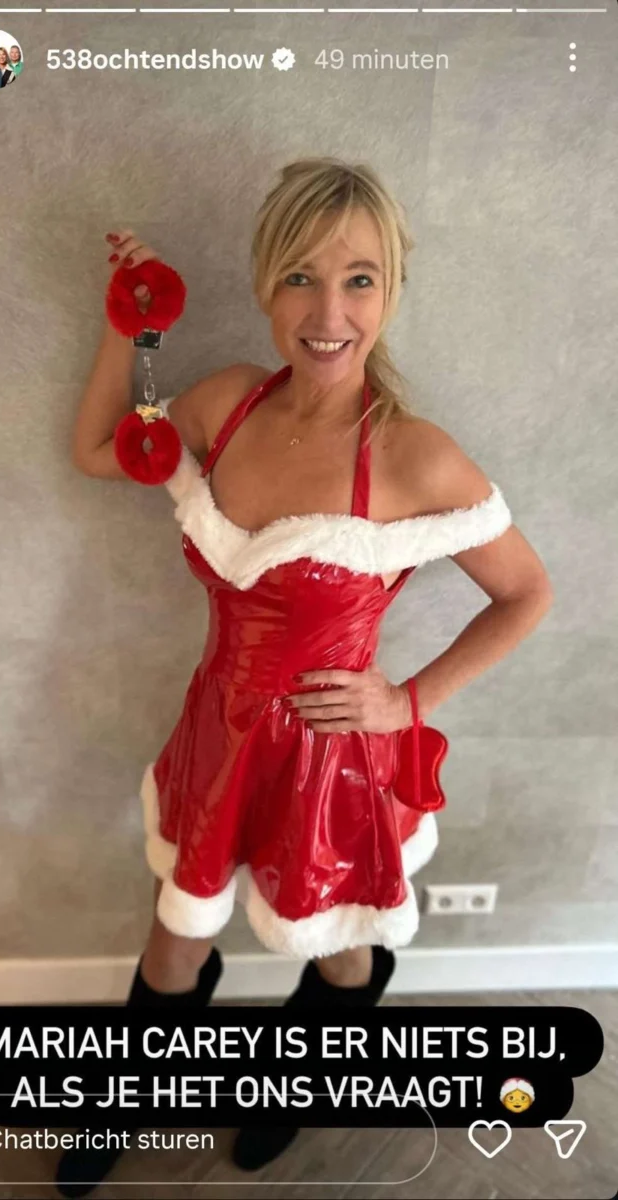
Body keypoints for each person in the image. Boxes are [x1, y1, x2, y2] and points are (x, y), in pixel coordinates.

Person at [57, 157, 553, 1195]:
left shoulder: (415, 457)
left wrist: (405, 701)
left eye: (359, 279)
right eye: (301, 278)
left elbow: (526, 594)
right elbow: (100, 447)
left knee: (339, 951)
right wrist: (131, 323)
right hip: (218, 733)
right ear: (264, 284)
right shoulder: (228, 405)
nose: (329, 314)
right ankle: (127, 1093)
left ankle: (297, 1080)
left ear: (391, 288)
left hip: (332, 765)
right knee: (173, 945)